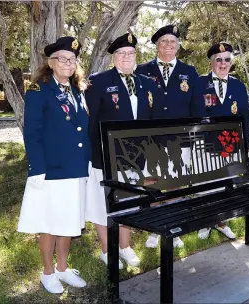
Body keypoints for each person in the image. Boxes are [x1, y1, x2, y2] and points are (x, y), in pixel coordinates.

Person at [17, 36, 89, 294]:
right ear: (51, 62)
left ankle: (62, 268)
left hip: (75, 169)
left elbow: (82, 130)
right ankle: (47, 273)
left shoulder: (78, 90)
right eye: (63, 59)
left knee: (68, 221)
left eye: (72, 59)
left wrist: (87, 163)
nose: (68, 63)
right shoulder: (39, 90)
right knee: (49, 222)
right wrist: (36, 169)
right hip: (51, 170)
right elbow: (32, 133)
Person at [85, 33, 158, 269]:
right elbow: (90, 121)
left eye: (131, 53)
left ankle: (124, 247)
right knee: (101, 203)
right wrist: (95, 154)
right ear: (114, 57)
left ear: (136, 56)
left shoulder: (146, 82)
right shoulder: (98, 81)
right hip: (106, 155)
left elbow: (150, 119)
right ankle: (107, 250)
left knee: (128, 200)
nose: (126, 57)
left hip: (136, 156)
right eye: (121, 53)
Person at [136, 24, 206, 249]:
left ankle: (173, 226)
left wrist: (195, 136)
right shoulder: (142, 70)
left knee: (175, 182)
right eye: (164, 41)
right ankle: (156, 228)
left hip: (180, 137)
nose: (168, 45)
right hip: (151, 138)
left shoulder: (190, 72)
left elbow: (197, 107)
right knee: (153, 181)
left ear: (178, 45)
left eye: (173, 41)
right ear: (157, 45)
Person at [197, 42, 249, 240]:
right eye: (218, 60)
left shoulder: (238, 86)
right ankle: (206, 221)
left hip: (231, 145)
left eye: (227, 59)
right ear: (212, 62)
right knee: (207, 185)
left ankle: (222, 222)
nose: (223, 63)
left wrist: (243, 148)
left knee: (226, 186)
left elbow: (245, 118)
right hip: (206, 145)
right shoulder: (199, 83)